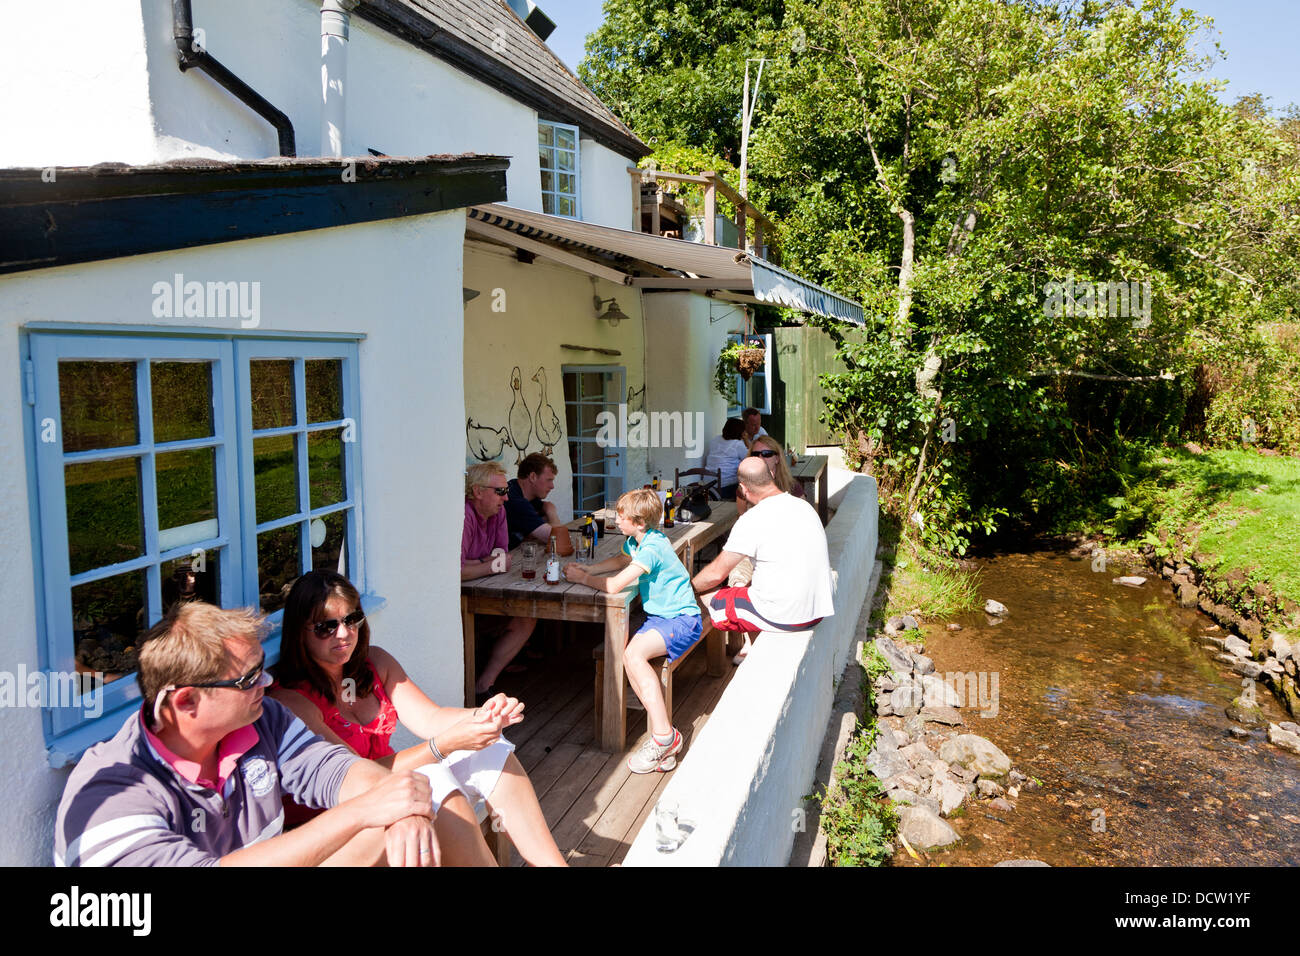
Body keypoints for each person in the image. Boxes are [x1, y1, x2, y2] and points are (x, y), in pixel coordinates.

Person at [54, 601, 483, 867]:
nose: (267, 682)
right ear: (186, 702)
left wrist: (403, 810)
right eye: (249, 679)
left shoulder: (263, 720)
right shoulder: (108, 793)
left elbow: (340, 773)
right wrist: (369, 810)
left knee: (433, 795)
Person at [271, 570, 566, 866]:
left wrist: (486, 714)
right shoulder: (291, 700)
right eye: (326, 627)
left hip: (387, 798)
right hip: (336, 826)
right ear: (300, 632)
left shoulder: (374, 663)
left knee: (489, 748)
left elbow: (431, 717)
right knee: (430, 780)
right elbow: (353, 776)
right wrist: (444, 745)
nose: (344, 633)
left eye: (351, 619)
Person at [563, 488, 702, 774]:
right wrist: (590, 568)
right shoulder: (638, 540)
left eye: (621, 515)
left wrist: (583, 578)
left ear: (638, 522)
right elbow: (620, 561)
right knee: (630, 657)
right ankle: (665, 744)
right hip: (662, 618)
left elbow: (614, 586)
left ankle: (664, 737)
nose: (616, 518)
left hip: (681, 620)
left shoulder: (651, 548)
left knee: (633, 657)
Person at [693, 456, 834, 660]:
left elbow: (715, 573)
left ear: (743, 488)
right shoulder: (804, 506)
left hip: (787, 616)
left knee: (707, 592)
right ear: (771, 476)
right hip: (817, 610)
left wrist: (690, 586)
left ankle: (711, 661)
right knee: (747, 588)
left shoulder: (752, 518)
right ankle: (751, 646)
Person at [462, 461, 537, 694]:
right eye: (501, 491)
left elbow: (503, 558)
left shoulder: (498, 512)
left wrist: (478, 564)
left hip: (488, 590)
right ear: (477, 491)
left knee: (527, 615)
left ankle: (484, 684)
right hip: (460, 602)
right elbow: (457, 573)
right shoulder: (464, 515)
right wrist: (487, 565)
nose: (506, 498)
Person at [736, 434, 805, 516]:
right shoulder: (744, 488)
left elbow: (803, 517)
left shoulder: (793, 487)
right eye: (755, 454)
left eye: (767, 454)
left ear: (777, 459)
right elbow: (742, 516)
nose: (760, 458)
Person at [505, 453, 560, 549]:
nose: (552, 486)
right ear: (533, 477)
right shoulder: (516, 502)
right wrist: (552, 511)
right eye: (549, 480)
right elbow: (558, 539)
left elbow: (542, 523)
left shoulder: (517, 488)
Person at [703, 417, 749, 500]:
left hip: (707, 484)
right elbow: (751, 460)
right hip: (724, 487)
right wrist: (746, 440)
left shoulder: (715, 439)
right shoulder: (738, 444)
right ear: (741, 432)